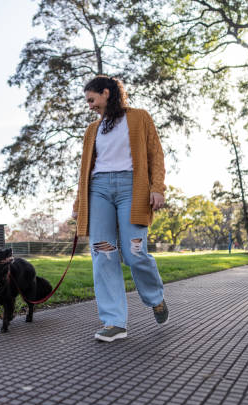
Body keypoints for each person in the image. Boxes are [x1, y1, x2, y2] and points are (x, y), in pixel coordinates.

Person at [72, 75, 168, 342]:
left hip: (132, 188)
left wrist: (157, 187)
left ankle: (155, 297)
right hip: (99, 190)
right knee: (103, 253)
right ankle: (114, 322)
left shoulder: (139, 117)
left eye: (92, 99)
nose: (90, 105)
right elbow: (84, 171)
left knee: (135, 251)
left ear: (106, 93)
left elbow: (155, 154)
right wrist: (79, 204)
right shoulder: (93, 130)